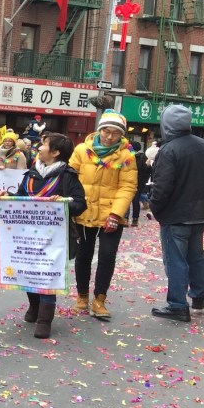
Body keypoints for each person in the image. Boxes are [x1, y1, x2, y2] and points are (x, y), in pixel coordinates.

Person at [11, 133, 87, 339]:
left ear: (55, 152)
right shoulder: (32, 173)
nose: (39, 147)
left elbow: (80, 204)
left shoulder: (67, 176)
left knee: (47, 276)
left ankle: (45, 320)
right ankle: (34, 307)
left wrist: (62, 202)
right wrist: (6, 198)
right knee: (29, 272)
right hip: (28, 235)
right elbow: (20, 196)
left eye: (44, 144)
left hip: (54, 239)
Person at [68, 110, 138, 320]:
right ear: (99, 130)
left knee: (107, 256)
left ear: (121, 135)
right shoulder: (81, 150)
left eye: (115, 134)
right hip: (84, 211)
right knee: (83, 255)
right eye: (106, 131)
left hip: (111, 214)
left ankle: (99, 299)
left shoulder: (127, 155)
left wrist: (116, 214)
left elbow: (128, 186)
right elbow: (70, 178)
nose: (109, 137)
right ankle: (82, 296)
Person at [148, 105, 204, 322]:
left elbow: (162, 187)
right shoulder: (202, 145)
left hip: (176, 215)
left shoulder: (169, 150)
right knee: (197, 257)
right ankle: (199, 297)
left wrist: (156, 208)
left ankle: (177, 305)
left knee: (176, 260)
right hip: (199, 214)